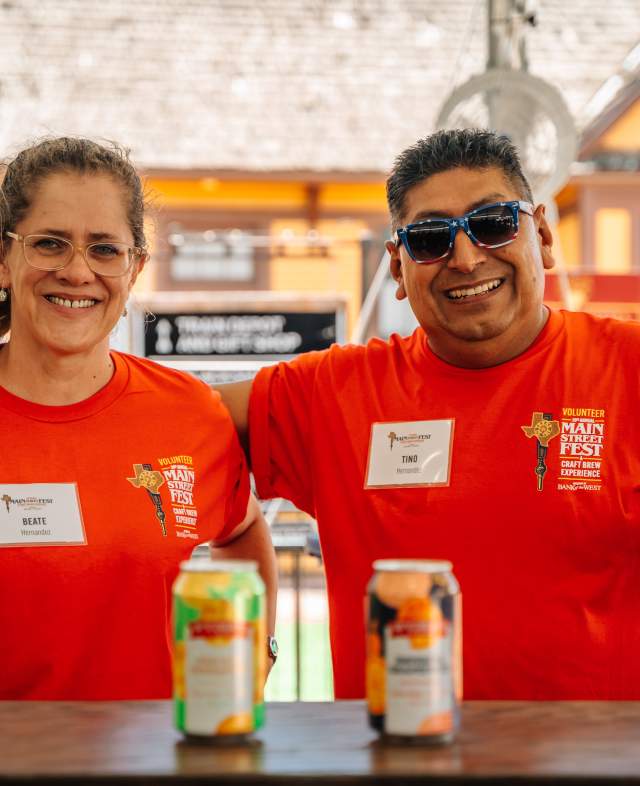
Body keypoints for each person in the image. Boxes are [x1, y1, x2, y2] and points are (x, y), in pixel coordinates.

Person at [220, 128, 640, 701]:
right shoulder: (333, 394)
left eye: (493, 223)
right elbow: (160, 426)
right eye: (430, 238)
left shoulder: (627, 367)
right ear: (397, 267)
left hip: (598, 762)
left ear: (540, 235)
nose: (466, 258)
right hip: (398, 758)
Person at [0, 137, 277, 700]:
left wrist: (251, 656)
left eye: (105, 250)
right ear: (4, 260)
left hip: (155, 765)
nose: (77, 271)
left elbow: (243, 528)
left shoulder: (188, 413)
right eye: (50, 244)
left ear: (136, 268)